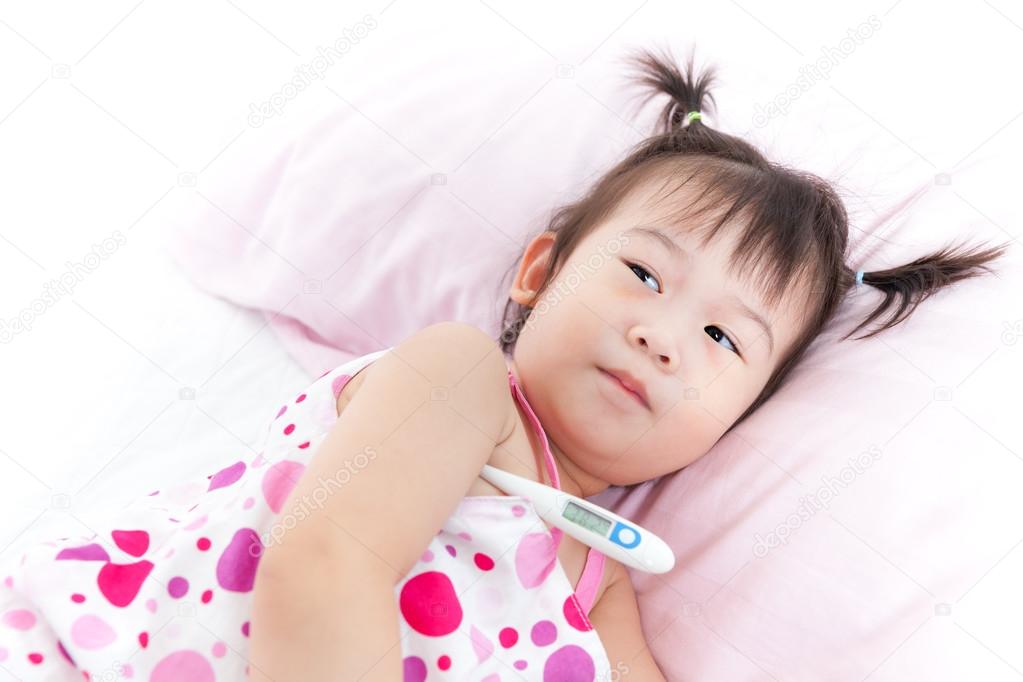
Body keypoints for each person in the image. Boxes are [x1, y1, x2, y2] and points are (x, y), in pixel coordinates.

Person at [0, 45, 1008, 681]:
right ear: (538, 271)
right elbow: (328, 563)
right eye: (647, 277)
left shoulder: (600, 582)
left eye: (721, 339)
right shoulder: (459, 383)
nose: (663, 335)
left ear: (736, 420)